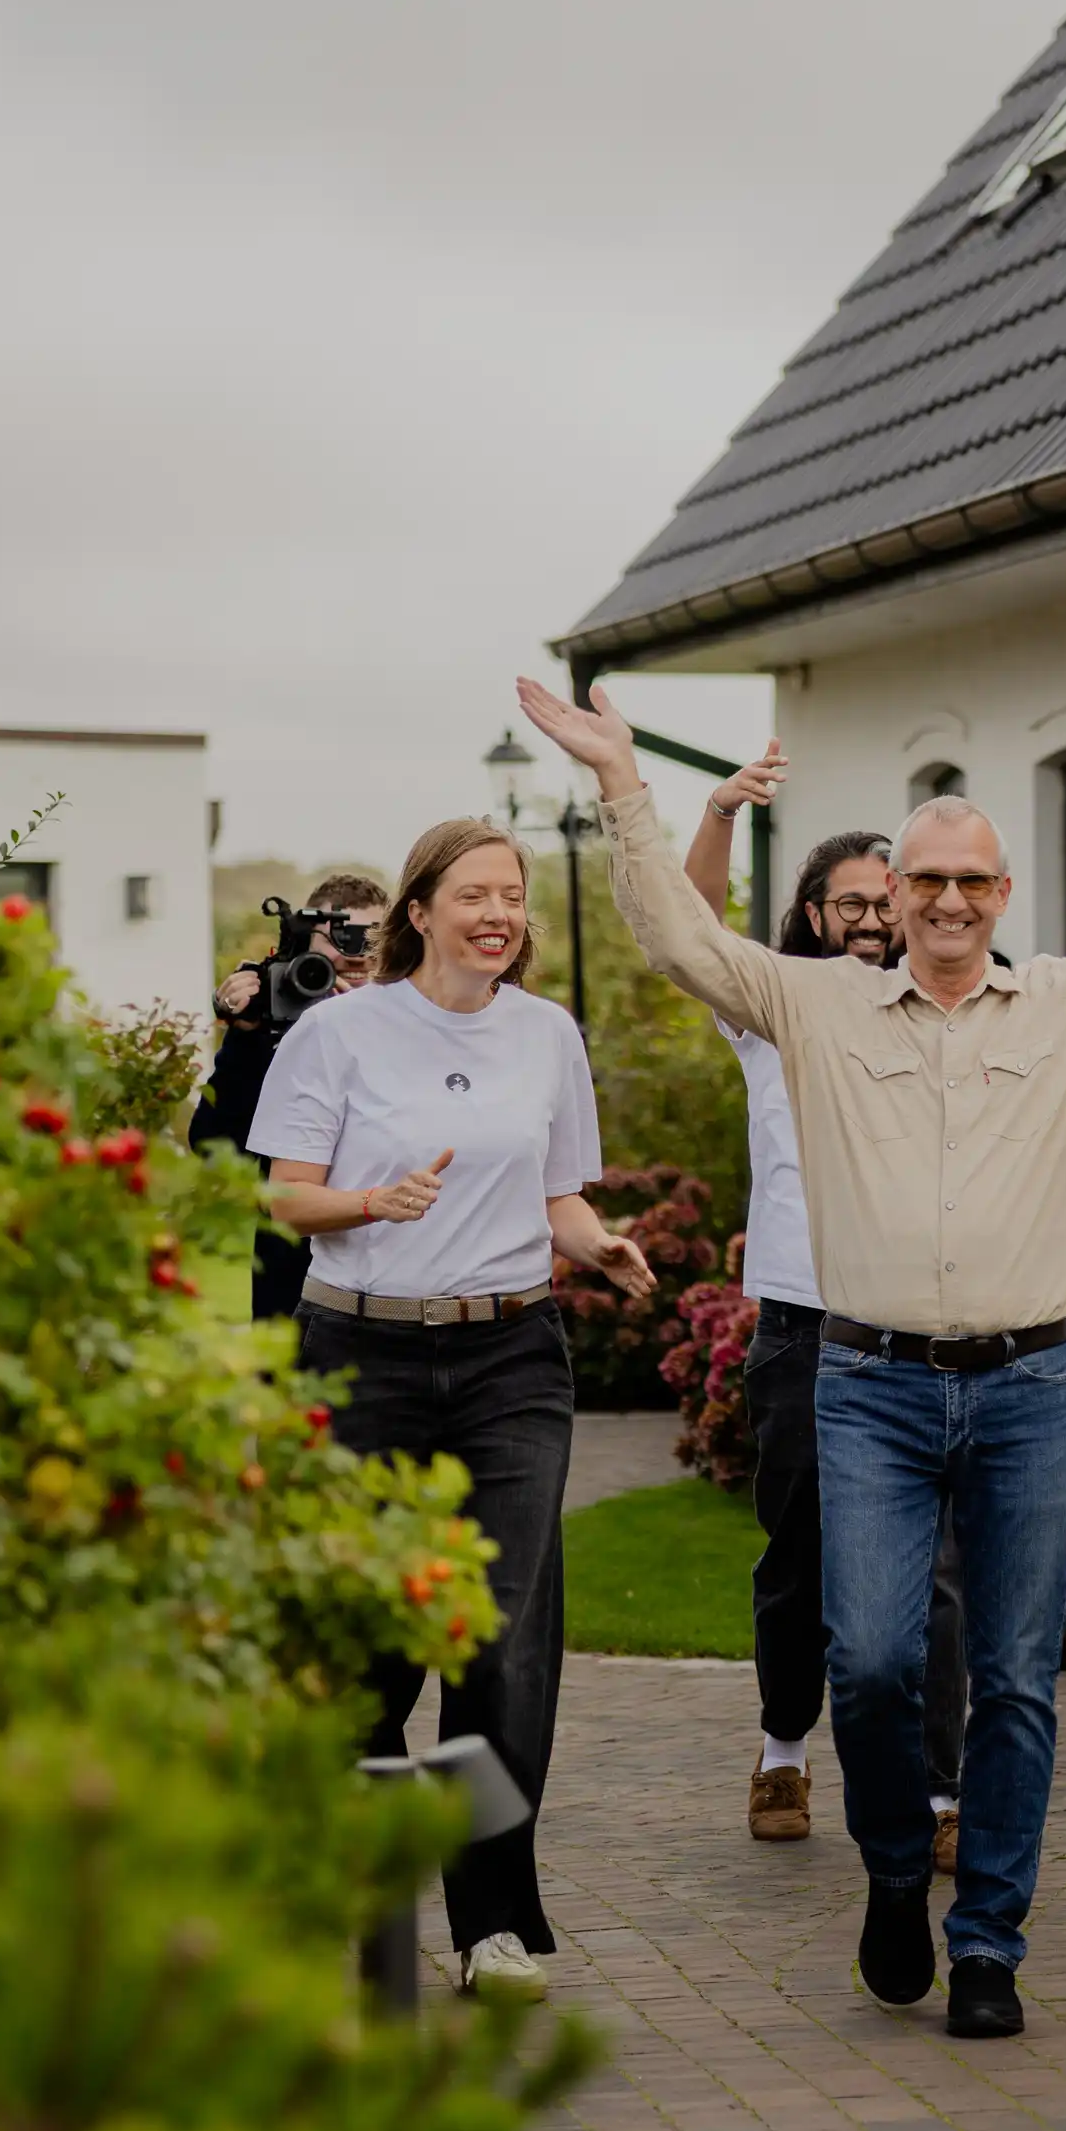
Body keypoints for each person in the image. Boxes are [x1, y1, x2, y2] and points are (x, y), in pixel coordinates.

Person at [518, 672, 1066, 2040]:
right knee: (873, 1661)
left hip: (1031, 1390)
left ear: (1003, 896)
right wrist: (623, 784)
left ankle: (987, 1940)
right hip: (869, 1384)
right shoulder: (814, 1004)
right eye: (925, 878)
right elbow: (677, 941)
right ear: (899, 890)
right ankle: (895, 1867)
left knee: (1011, 1679)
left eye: (970, 882)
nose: (946, 900)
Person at [684, 753, 1066, 1865]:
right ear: (828, 913)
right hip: (814, 1324)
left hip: (956, 1340)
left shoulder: (982, 1011)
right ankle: (783, 1745)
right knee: (805, 1560)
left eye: (886, 892)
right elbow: (692, 926)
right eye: (860, 897)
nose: (878, 914)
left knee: (948, 1580)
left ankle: (943, 1793)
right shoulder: (781, 1012)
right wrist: (717, 810)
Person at [250, 816, 659, 1997]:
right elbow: (286, 1200)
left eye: (513, 895)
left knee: (499, 1636)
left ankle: (494, 1918)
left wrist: (599, 1246)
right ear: (416, 910)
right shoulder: (339, 1032)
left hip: (512, 1358)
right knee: (372, 1641)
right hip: (358, 1355)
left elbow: (560, 1195)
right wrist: (374, 1199)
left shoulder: (547, 1034)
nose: (499, 912)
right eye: (473, 892)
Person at [197, 872, 388, 1321]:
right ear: (304, 947)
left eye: (370, 942)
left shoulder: (416, 1024)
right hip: (294, 1289)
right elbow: (215, 1150)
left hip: (396, 1287)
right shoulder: (273, 1024)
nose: (355, 955)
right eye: (340, 939)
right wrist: (247, 1038)